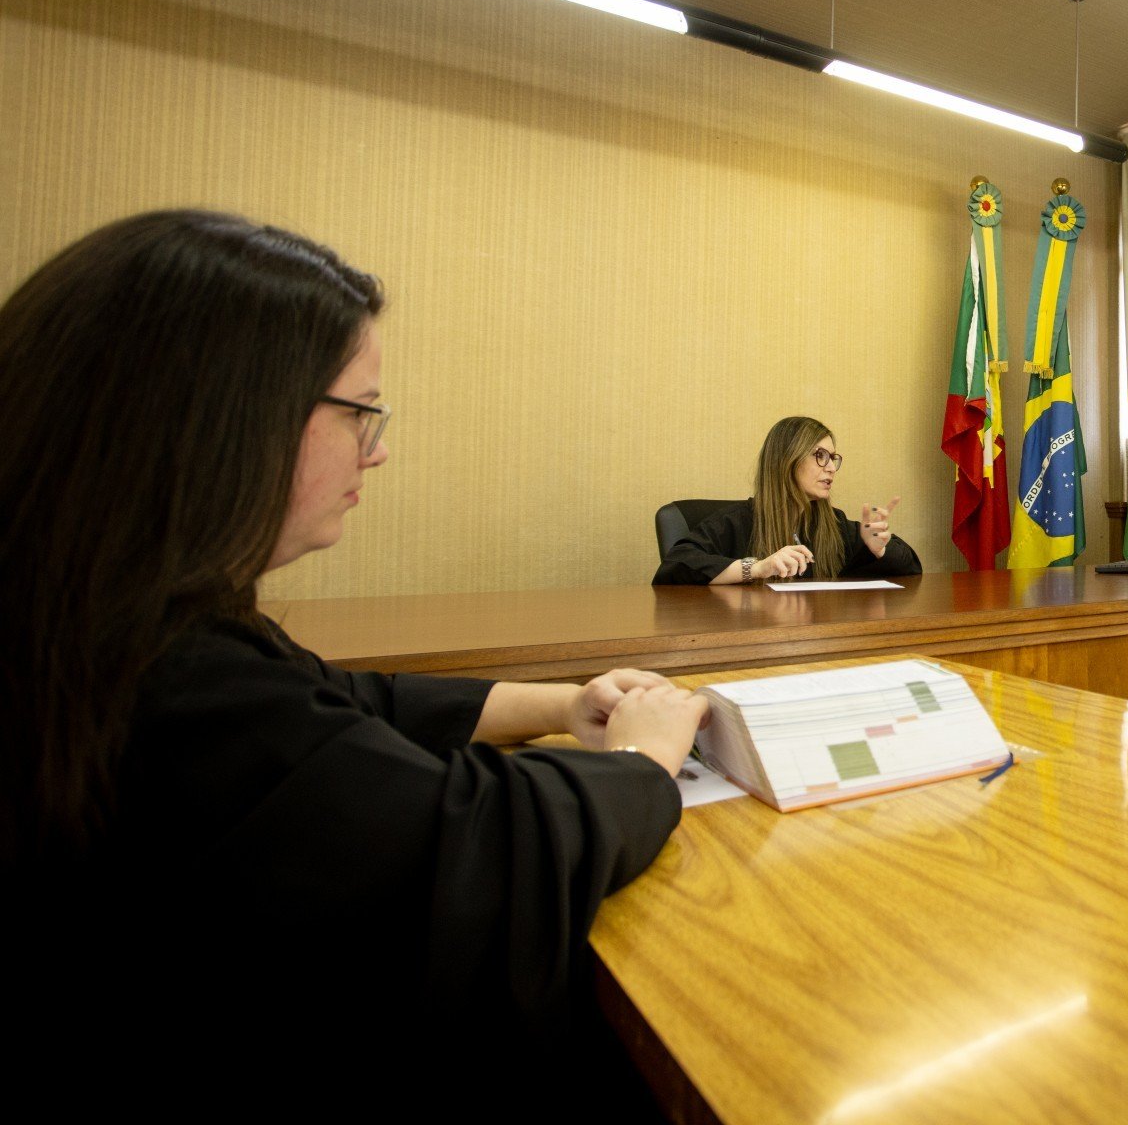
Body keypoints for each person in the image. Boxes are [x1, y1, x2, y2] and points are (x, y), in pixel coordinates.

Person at [0, 210, 707, 1116]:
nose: (380, 448)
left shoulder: (104, 615)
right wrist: (642, 761)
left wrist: (563, 703)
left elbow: (335, 701)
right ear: (225, 415)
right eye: (359, 413)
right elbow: (479, 856)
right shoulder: (164, 681)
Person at [654, 415, 922, 585]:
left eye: (832, 458)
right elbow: (675, 565)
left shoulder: (832, 523)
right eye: (820, 455)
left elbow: (912, 567)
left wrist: (879, 550)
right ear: (787, 461)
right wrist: (757, 568)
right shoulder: (736, 521)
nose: (830, 467)